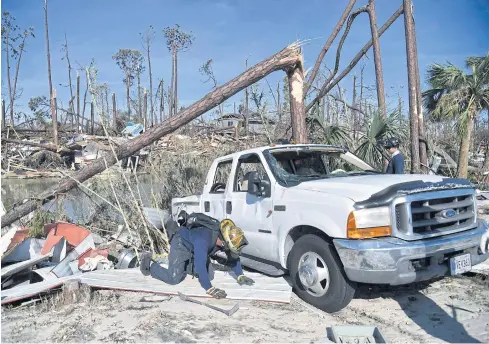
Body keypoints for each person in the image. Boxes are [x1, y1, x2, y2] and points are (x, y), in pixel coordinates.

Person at [139, 212, 254, 299]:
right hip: (181, 243)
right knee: (174, 278)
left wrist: (239, 275)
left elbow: (232, 256)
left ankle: (183, 265)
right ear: (224, 242)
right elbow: (200, 264)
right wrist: (209, 289)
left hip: (195, 247)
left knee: (208, 276)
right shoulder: (203, 240)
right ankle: (148, 263)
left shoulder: (223, 235)